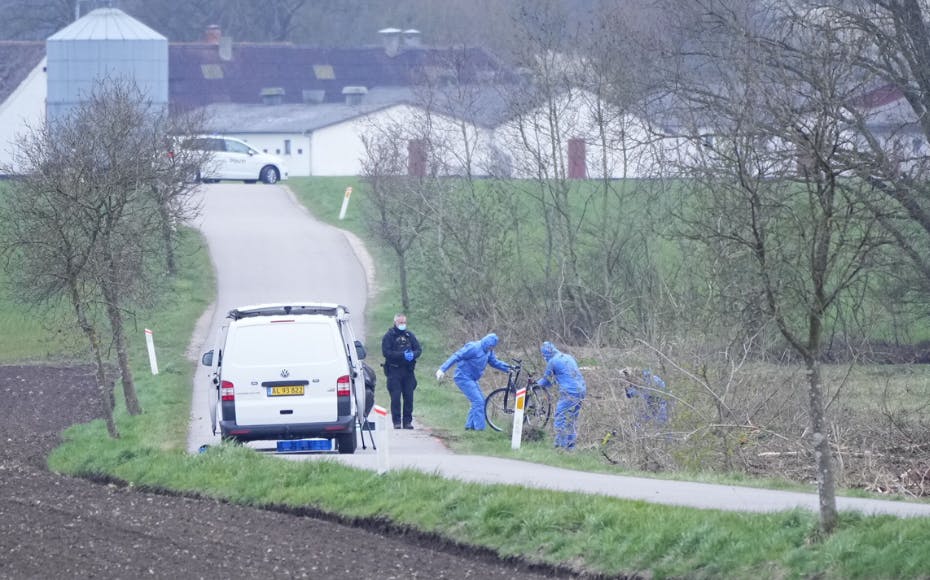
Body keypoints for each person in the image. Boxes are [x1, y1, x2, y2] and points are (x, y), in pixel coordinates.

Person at [436, 333, 510, 431]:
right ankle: (479, 429)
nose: (491, 348)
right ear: (486, 342)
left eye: (493, 347)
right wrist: (442, 369)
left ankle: (469, 427)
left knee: (480, 401)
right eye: (490, 346)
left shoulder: (488, 351)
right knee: (478, 401)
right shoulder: (473, 347)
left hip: (473, 379)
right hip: (463, 377)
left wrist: (508, 368)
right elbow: (456, 356)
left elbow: (494, 362)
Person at [536, 341, 587, 450]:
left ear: (546, 353)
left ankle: (560, 446)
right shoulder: (568, 357)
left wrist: (535, 385)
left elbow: (546, 381)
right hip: (581, 390)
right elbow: (564, 375)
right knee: (571, 419)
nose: (544, 357)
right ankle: (570, 446)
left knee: (561, 417)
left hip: (569, 392)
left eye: (544, 355)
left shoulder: (553, 361)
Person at [381, 313, 422, 429]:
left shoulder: (409, 335)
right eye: (400, 322)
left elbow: (418, 349)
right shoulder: (389, 336)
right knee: (395, 397)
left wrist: (412, 355)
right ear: (395, 323)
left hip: (408, 371)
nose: (402, 324)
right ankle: (397, 421)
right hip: (394, 370)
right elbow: (386, 353)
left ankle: (407, 421)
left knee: (409, 397)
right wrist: (402, 355)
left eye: (404, 322)